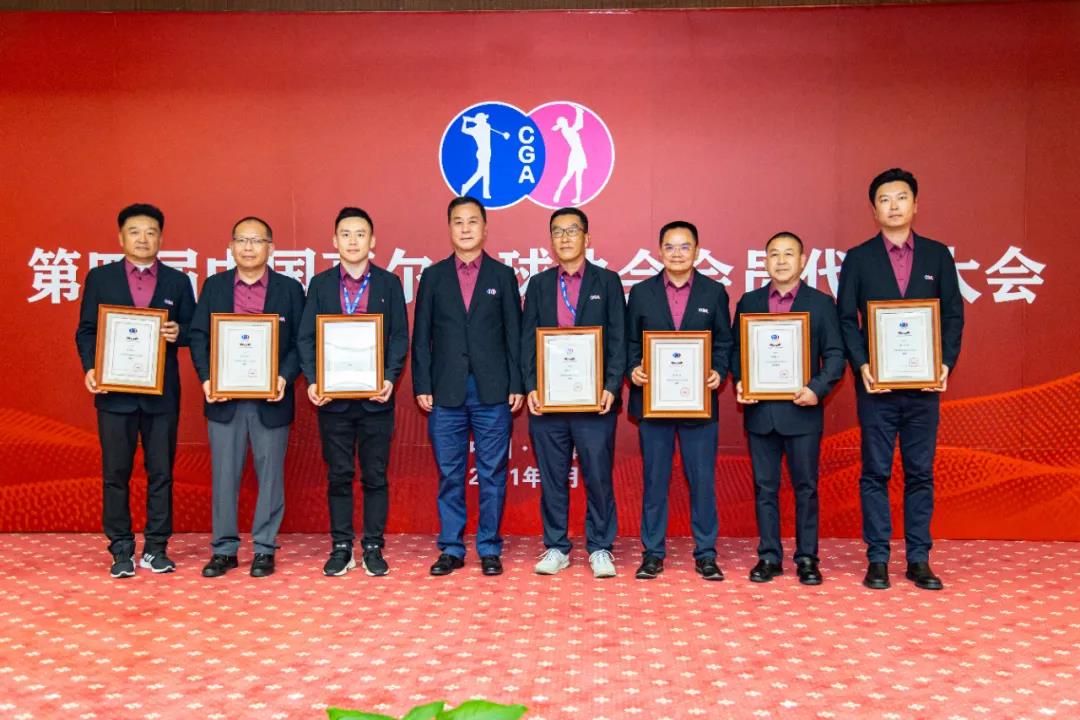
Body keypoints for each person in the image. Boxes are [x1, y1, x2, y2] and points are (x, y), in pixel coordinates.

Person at [837, 168, 963, 591]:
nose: (893, 206)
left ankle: (919, 558)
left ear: (915, 204)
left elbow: (953, 315)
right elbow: (846, 318)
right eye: (885, 200)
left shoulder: (937, 256)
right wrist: (862, 365)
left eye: (901, 197)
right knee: (875, 472)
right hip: (877, 388)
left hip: (923, 388)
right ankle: (877, 558)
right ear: (874, 210)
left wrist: (944, 363)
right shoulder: (859, 258)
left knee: (920, 473)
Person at [75, 203, 196, 578]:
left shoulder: (178, 282)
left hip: (162, 395)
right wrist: (91, 368)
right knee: (116, 473)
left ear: (161, 238)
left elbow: (195, 331)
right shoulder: (101, 278)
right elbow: (87, 330)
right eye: (134, 231)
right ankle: (121, 549)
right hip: (114, 394)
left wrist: (179, 332)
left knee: (161, 473)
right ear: (120, 237)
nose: (143, 238)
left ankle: (156, 548)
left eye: (151, 232)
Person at [412, 196, 524, 576]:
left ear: (485, 228)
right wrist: (422, 383)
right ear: (449, 228)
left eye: (472, 221)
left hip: (492, 390)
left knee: (492, 473)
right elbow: (422, 336)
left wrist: (517, 383)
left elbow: (514, 334)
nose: (465, 228)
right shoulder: (432, 276)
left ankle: (489, 547)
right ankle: (451, 547)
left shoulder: (502, 276)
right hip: (446, 390)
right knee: (450, 473)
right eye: (458, 221)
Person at [190, 216, 305, 578]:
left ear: (271, 248)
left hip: (271, 399)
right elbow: (199, 336)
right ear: (231, 247)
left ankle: (264, 548)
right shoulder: (214, 287)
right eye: (242, 240)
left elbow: (301, 342)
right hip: (224, 399)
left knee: (270, 476)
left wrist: (284, 377)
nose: (249, 247)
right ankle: (224, 550)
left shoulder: (290, 289)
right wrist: (207, 378)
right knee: (224, 476)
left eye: (257, 241)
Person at [298, 207, 408, 577]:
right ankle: (342, 546)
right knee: (339, 475)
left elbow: (399, 337)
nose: (353, 241)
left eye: (360, 234)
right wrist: (314, 380)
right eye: (345, 234)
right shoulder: (320, 284)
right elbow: (306, 337)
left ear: (372, 240)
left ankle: (373, 546)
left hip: (376, 399)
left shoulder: (389, 284)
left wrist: (389, 378)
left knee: (375, 476)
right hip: (334, 400)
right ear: (334, 241)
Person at [731, 232, 845, 585]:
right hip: (761, 413)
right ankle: (769, 556)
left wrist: (817, 388)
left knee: (805, 488)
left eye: (788, 254)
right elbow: (736, 350)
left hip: (802, 412)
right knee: (764, 488)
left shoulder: (820, 303)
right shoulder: (749, 302)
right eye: (774, 254)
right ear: (764, 261)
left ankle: (807, 558)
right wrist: (742, 380)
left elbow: (836, 355)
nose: (781, 261)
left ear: (803, 261)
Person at [626, 221, 732, 581]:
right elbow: (630, 343)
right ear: (659, 252)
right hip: (653, 403)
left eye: (685, 247)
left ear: (697, 251)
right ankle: (653, 553)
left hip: (697, 404)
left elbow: (724, 342)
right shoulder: (641, 292)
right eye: (670, 247)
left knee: (702, 482)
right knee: (654, 482)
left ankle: (706, 553)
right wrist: (633, 369)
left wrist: (718, 371)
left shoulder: (714, 292)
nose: (677, 253)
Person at [522, 207, 625, 578]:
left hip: (594, 402)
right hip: (549, 402)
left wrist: (611, 385)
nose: (564, 237)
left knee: (598, 476)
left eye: (572, 230)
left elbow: (618, 337)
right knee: (552, 477)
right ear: (551, 240)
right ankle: (556, 546)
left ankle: (600, 547)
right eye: (557, 231)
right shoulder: (539, 285)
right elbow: (527, 340)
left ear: (587, 238)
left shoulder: (607, 282)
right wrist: (531, 386)